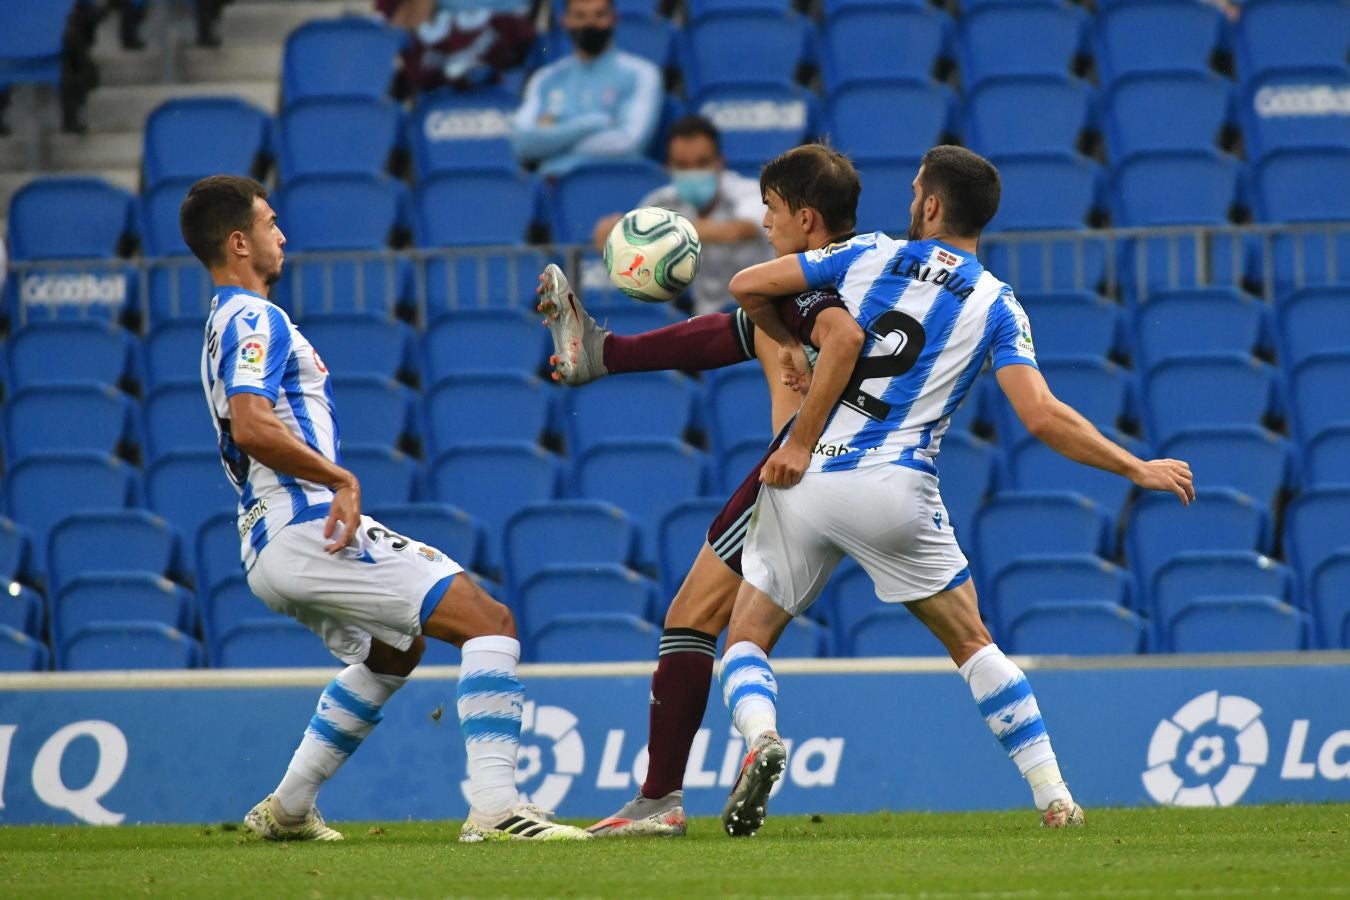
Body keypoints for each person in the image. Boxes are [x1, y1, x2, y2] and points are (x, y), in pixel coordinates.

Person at [715, 145, 1197, 837]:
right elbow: (1041, 416)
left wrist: (786, 343)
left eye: (916, 190)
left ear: (931, 206)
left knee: (748, 639)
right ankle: (1054, 796)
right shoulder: (998, 304)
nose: (910, 199)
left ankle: (762, 736)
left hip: (808, 473)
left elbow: (748, 283)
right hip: (892, 485)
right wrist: (1135, 467)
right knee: (972, 641)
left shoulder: (870, 252)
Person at [181, 175, 590, 843]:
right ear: (238, 242)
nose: (282, 235)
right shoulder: (255, 317)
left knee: (396, 651)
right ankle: (494, 811)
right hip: (307, 522)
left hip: (266, 539)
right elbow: (253, 425)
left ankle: (288, 808)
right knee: (491, 623)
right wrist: (337, 476)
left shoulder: (222, 321)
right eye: (270, 224)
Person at [536, 143, 862, 837]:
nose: (765, 224)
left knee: (693, 618)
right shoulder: (876, 272)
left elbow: (777, 330)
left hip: (802, 472)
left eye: (772, 212)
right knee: (959, 632)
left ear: (807, 219)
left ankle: (665, 798)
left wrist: (801, 436)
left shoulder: (810, 289)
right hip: (883, 477)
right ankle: (1048, 783)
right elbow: (725, 334)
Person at [591, 115, 770, 316]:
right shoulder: (661, 202)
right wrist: (614, 237)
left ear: (720, 162)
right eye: (682, 165)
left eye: (702, 163)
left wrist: (657, 231)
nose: (693, 172)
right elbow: (637, 251)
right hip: (702, 317)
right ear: (669, 167)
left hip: (760, 311)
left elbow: (738, 231)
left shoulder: (748, 192)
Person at [510, 0, 661, 177]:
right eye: (580, 16)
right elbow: (521, 142)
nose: (590, 24)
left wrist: (552, 148)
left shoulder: (642, 73)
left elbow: (630, 142)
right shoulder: (545, 79)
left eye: (599, 15)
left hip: (616, 182)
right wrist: (595, 123)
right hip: (554, 190)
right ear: (564, 21)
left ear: (614, 18)